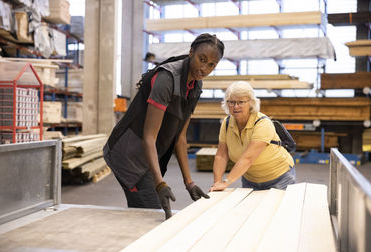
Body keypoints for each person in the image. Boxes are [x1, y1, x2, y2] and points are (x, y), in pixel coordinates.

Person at [104, 33, 225, 219]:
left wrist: (189, 183)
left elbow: (180, 138)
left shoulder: (195, 86)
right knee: (150, 214)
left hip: (146, 154)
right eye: (202, 59)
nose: (204, 68)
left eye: (211, 65)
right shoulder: (167, 78)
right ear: (191, 52)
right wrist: (160, 183)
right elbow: (149, 136)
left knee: (148, 214)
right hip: (129, 154)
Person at [209, 81, 295, 192]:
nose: (236, 106)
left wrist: (226, 182)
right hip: (250, 179)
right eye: (232, 102)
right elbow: (221, 155)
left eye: (241, 102)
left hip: (279, 178)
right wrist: (217, 183)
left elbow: (248, 158)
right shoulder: (227, 123)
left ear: (251, 103)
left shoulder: (262, 123)